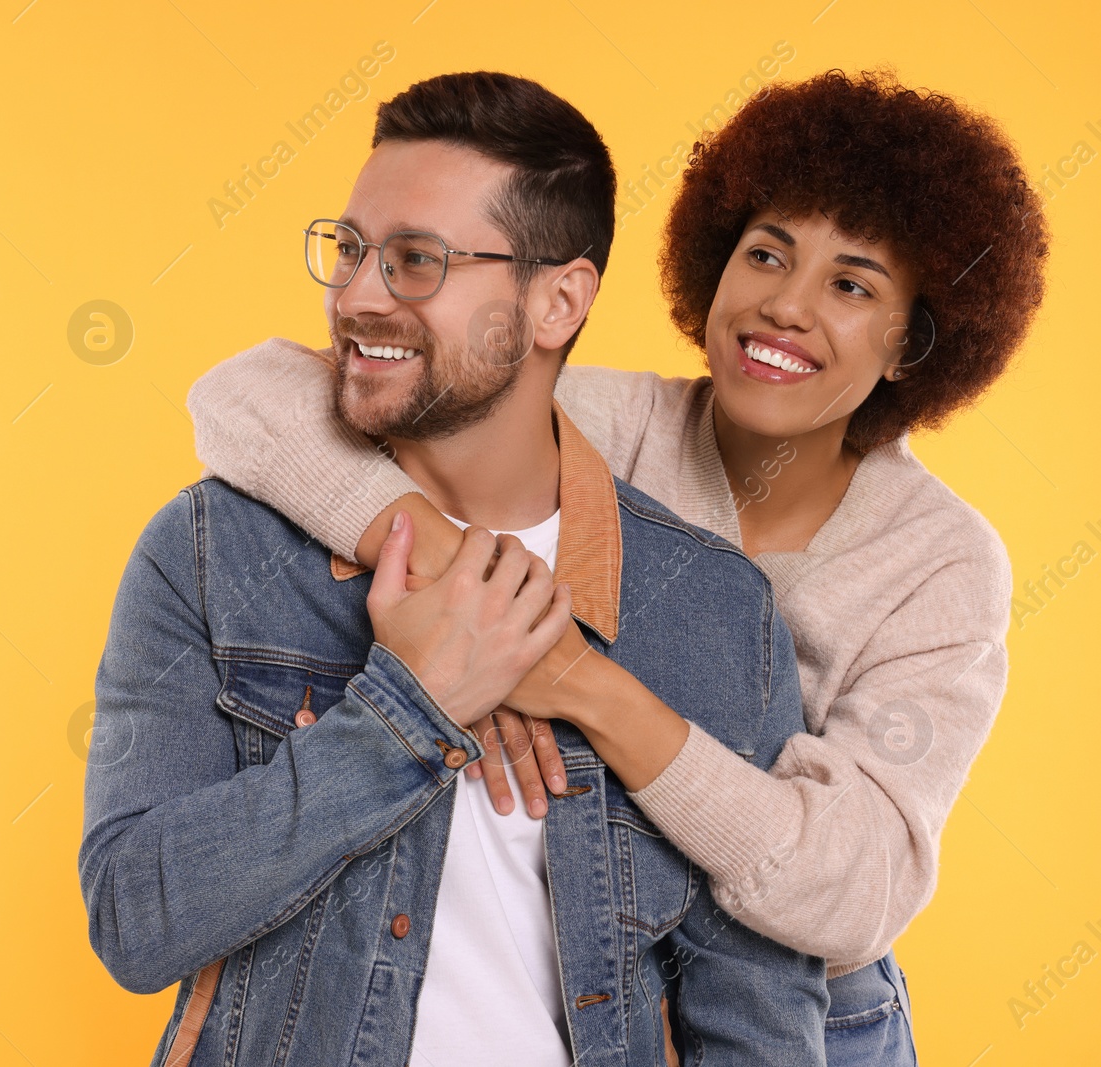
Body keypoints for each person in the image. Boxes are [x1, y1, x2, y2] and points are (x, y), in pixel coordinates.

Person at [185, 69, 1049, 1064]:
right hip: (594, 969)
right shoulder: (593, 423)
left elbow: (849, 887)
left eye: (850, 284)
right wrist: (446, 556)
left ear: (913, 340)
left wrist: (582, 686)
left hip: (808, 1015)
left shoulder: (937, 564)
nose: (784, 306)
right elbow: (246, 396)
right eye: (764, 254)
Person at [82, 71, 833, 1066]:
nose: (354, 295)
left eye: (415, 261)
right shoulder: (215, 554)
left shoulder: (708, 612)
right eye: (347, 250)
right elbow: (138, 919)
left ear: (557, 299)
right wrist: (407, 709)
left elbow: (758, 1017)